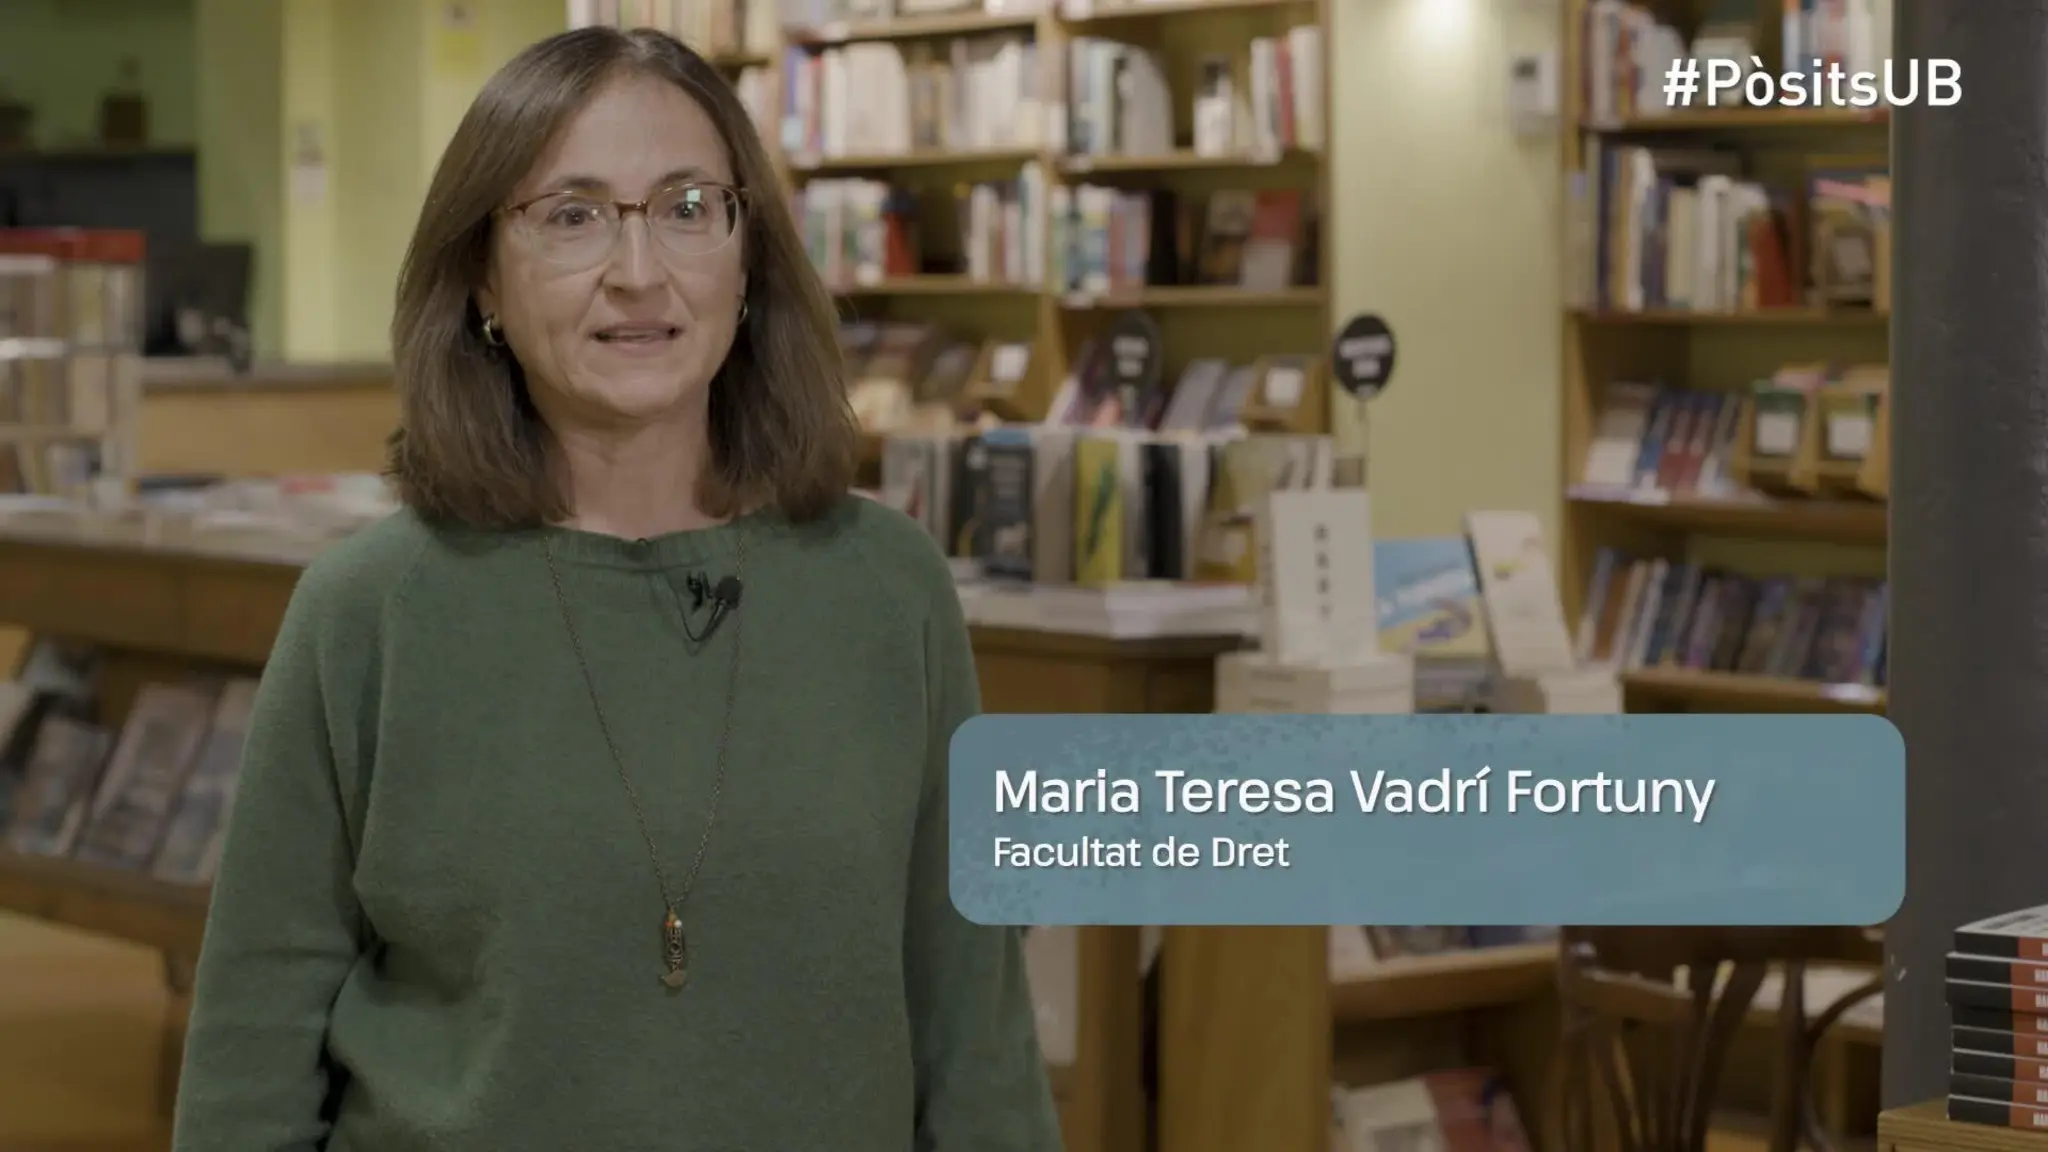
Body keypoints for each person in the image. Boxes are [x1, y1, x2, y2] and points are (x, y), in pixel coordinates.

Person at [171, 25, 1061, 1151]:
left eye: (688, 207)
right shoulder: (371, 610)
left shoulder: (887, 588)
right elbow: (249, 1060)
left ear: (748, 258)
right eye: (572, 215)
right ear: (483, 280)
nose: (639, 272)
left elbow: (974, 1034)